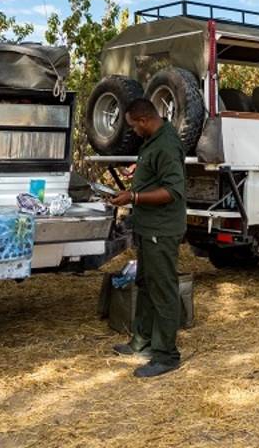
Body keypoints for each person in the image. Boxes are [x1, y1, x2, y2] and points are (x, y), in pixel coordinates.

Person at [109, 98, 187, 378]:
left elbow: (173, 191)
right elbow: (155, 172)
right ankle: (142, 342)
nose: (133, 131)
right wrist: (137, 171)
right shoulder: (154, 139)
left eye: (133, 126)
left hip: (161, 230)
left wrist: (134, 196)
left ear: (143, 120)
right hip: (148, 227)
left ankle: (166, 355)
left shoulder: (166, 144)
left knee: (162, 289)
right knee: (145, 283)